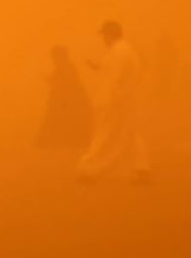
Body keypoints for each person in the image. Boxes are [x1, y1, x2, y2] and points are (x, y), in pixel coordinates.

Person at [78, 21, 151, 184]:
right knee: (129, 131)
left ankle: (89, 168)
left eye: (104, 35)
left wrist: (108, 99)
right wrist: (97, 67)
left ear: (110, 35)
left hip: (116, 100)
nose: (103, 39)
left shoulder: (119, 51)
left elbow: (115, 77)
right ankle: (141, 167)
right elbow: (114, 71)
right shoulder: (123, 50)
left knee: (105, 133)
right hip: (124, 98)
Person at [35, 46, 92, 149]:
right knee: (59, 119)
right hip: (63, 100)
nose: (54, 59)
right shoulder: (64, 67)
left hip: (69, 101)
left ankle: (66, 140)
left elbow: (68, 84)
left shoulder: (67, 68)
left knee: (63, 119)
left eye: (55, 57)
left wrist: (53, 82)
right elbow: (59, 82)